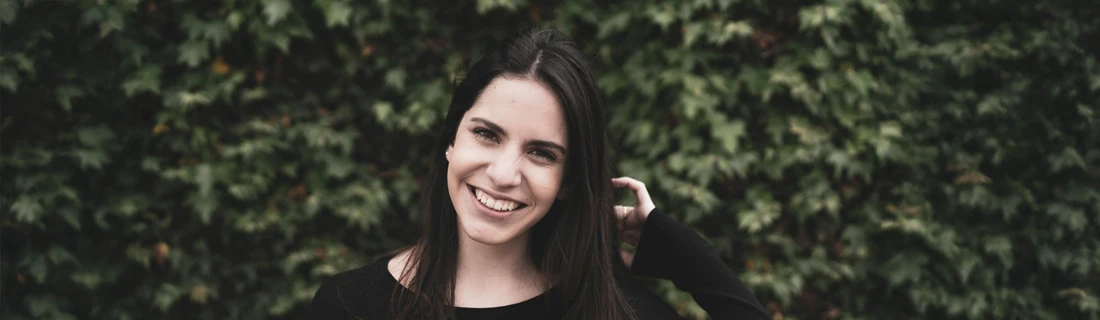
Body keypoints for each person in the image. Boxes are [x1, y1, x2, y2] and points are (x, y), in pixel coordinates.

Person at [311, 28, 768, 320]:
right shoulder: (350, 305)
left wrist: (680, 252)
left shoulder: (613, 312)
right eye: (487, 134)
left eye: (541, 153)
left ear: (568, 182)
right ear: (451, 140)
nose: (503, 174)